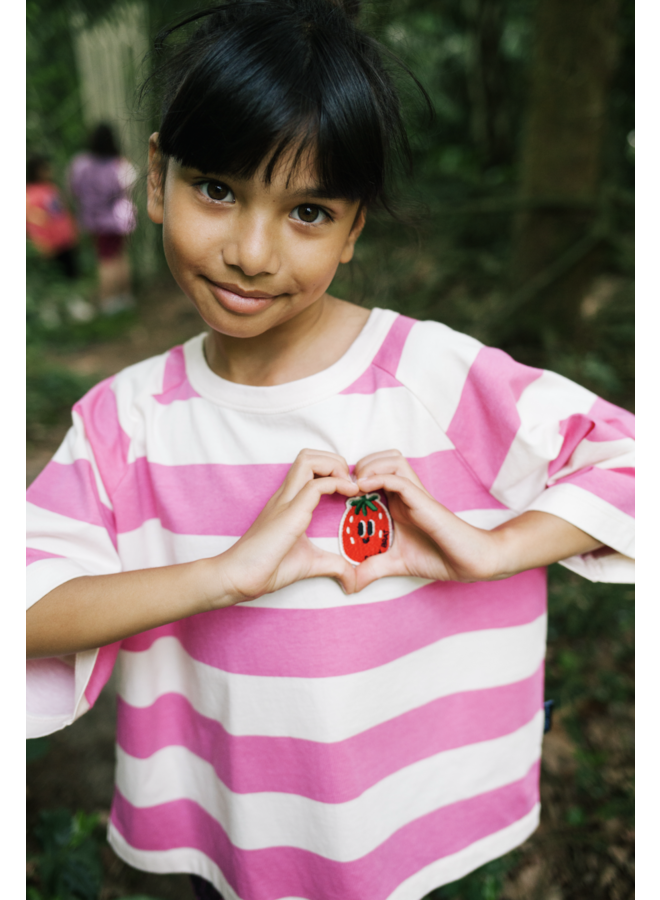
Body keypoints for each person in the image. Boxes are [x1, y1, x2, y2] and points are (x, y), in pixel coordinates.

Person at [26, 3, 635, 899]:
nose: (252, 251)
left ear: (354, 232)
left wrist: (500, 547)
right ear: (157, 177)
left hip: (425, 834)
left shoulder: (429, 376)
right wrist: (226, 575)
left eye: (308, 210)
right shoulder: (129, 422)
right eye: (218, 190)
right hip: (231, 832)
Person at [68, 123, 137, 314]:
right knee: (120, 255)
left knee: (106, 259)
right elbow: (130, 186)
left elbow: (74, 189)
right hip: (119, 219)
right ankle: (124, 295)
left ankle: (109, 301)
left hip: (95, 220)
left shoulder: (81, 164)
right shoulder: (120, 164)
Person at [26, 154, 79, 279]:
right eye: (46, 168)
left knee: (72, 276)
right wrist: (41, 243)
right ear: (37, 171)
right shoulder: (30, 194)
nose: (50, 170)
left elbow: (63, 213)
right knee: (56, 278)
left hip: (65, 242)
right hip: (49, 247)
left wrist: (72, 232)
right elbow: (33, 221)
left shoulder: (51, 188)